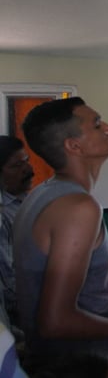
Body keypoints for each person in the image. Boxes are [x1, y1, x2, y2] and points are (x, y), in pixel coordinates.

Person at [14, 97, 108, 375]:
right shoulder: (78, 208)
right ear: (73, 145)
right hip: (81, 370)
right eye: (98, 124)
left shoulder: (42, 193)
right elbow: (54, 321)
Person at [0, 135, 34, 329]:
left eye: (26, 161)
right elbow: (10, 280)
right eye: (16, 166)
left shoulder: (29, 201)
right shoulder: (3, 214)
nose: (28, 170)